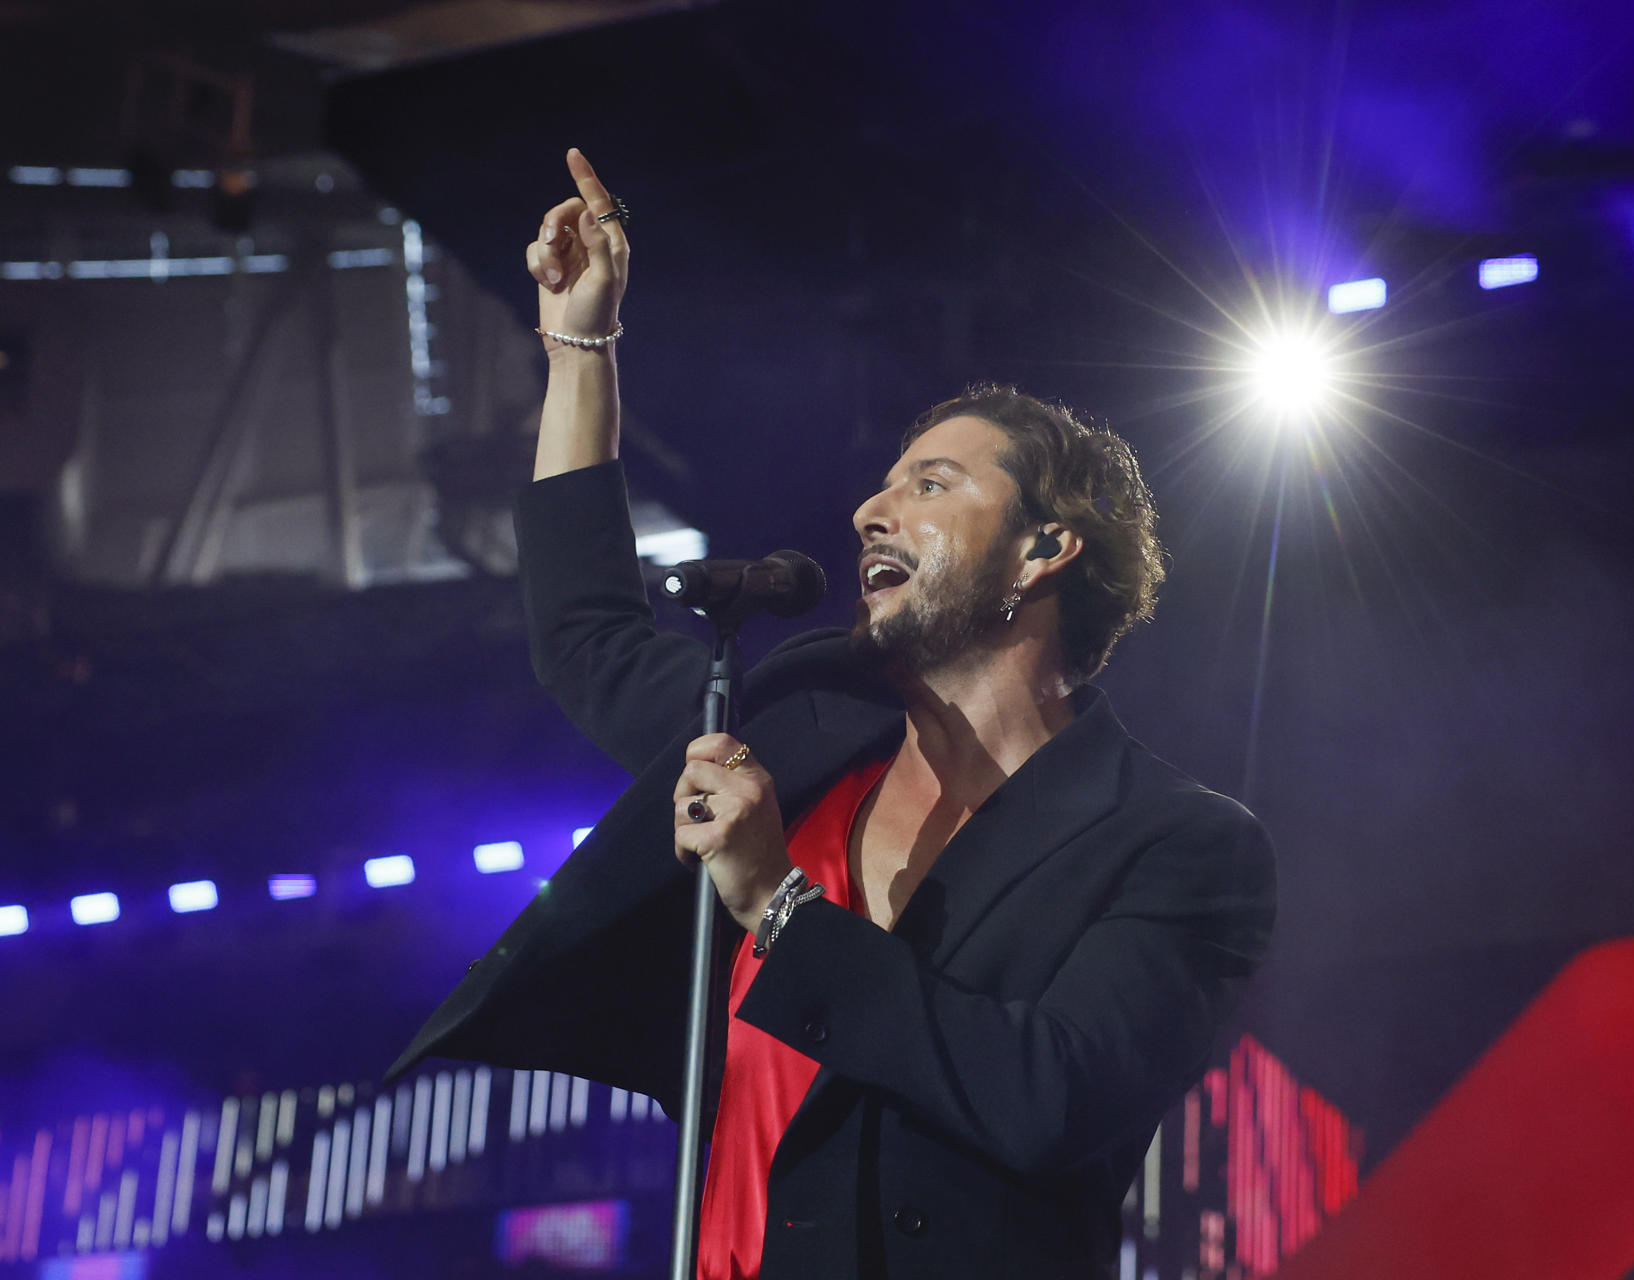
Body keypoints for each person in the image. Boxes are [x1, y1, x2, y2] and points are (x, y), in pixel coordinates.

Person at [387, 149, 1277, 1279]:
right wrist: (579, 344)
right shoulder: (803, 741)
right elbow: (587, 638)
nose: (871, 507)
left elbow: (1051, 1095)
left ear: (1047, 549)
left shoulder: (1175, 843)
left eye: (933, 484)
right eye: (886, 481)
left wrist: (779, 901)